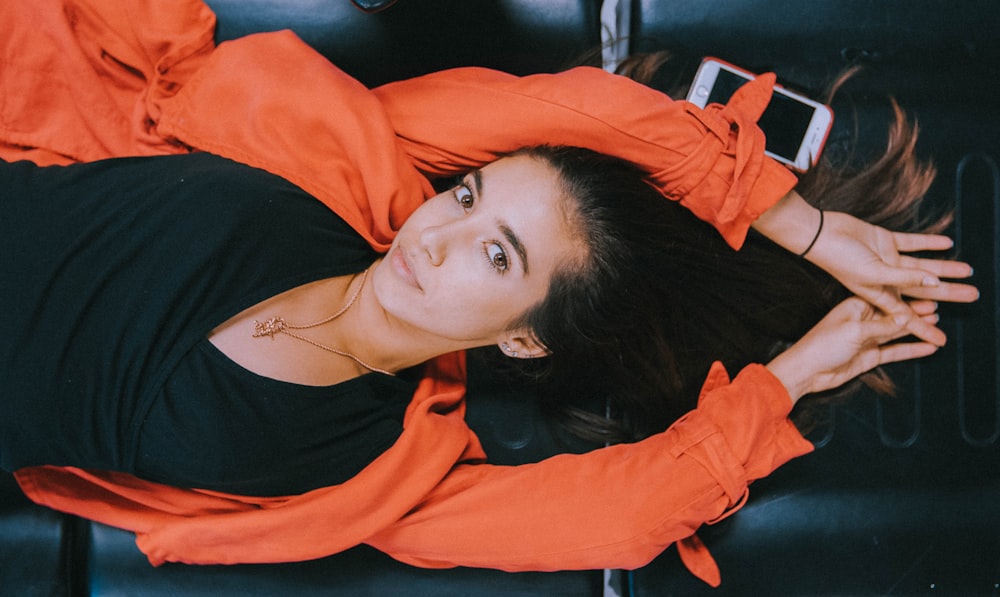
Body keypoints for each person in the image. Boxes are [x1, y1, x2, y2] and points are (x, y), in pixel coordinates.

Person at [0, 0, 979, 587]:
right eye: (467, 195)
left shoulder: (387, 476)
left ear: (522, 342)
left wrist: (795, 375)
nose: (442, 231)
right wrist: (789, 215)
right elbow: (567, 111)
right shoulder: (353, 170)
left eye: (499, 258)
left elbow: (615, 516)